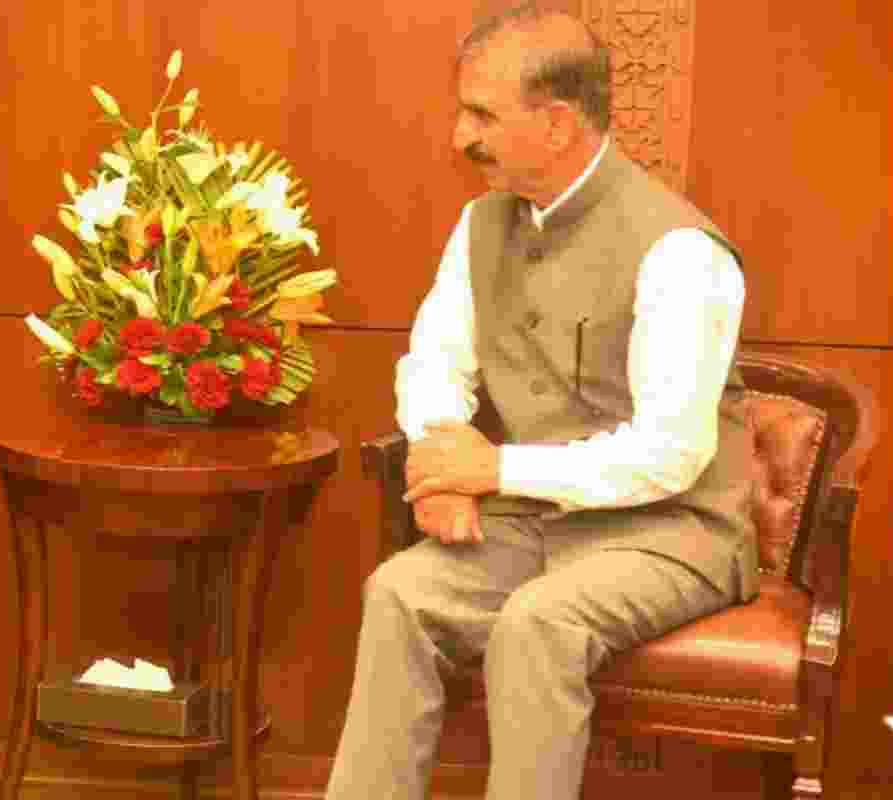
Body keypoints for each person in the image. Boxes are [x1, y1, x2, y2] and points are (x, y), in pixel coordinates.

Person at [325, 5, 756, 800]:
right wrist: (445, 458)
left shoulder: (680, 251)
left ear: (557, 125)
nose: (461, 137)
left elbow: (672, 452)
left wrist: (492, 468)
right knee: (400, 594)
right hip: (540, 520)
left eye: (482, 113)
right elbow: (433, 360)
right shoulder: (479, 225)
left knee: (538, 623)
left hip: (675, 530)